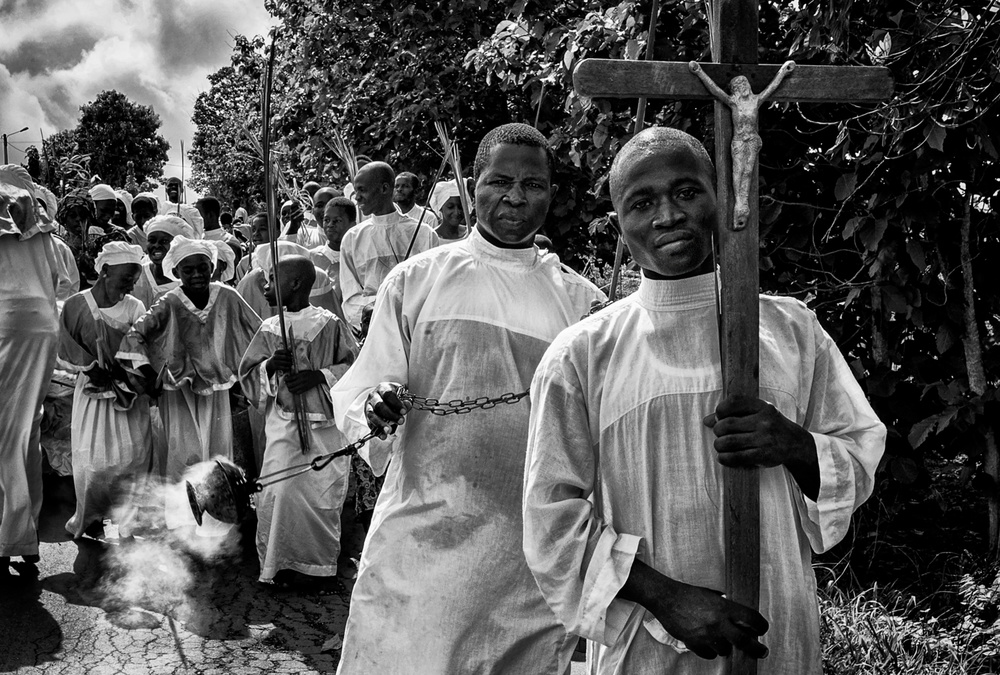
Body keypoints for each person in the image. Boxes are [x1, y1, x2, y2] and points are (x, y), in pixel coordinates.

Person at [521, 126, 886, 673]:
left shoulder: (788, 329)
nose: (668, 216)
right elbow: (551, 517)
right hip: (648, 645)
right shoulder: (582, 355)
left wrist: (792, 443)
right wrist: (666, 598)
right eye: (642, 202)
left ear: (723, 197)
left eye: (687, 192)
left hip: (776, 625)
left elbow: (856, 455)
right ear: (619, 222)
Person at [330, 123, 606, 673]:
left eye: (534, 185)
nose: (515, 197)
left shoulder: (582, 304)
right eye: (500, 181)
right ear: (471, 185)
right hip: (424, 532)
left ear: (552, 194)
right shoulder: (417, 281)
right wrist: (375, 404)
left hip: (527, 547)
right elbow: (362, 386)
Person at [117, 236, 261, 530]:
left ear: (213, 266)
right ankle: (183, 525)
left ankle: (218, 522)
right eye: (188, 270)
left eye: (202, 268)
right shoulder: (168, 302)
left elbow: (260, 330)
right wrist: (146, 374)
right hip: (178, 392)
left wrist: (247, 371)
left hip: (218, 390)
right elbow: (134, 336)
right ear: (176, 272)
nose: (196, 274)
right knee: (183, 454)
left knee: (219, 453)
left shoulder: (228, 296)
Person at [239, 256, 357, 590]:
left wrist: (318, 376)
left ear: (296, 284)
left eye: (272, 279)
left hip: (323, 429)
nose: (265, 287)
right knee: (278, 490)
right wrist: (270, 367)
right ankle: (278, 563)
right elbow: (247, 374)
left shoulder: (331, 324)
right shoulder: (268, 328)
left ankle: (316, 566)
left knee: (318, 492)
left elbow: (356, 367)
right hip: (283, 424)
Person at [59, 242, 151, 540]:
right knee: (93, 462)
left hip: (128, 394)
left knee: (132, 457)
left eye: (134, 280)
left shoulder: (134, 308)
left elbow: (142, 347)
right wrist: (88, 368)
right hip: (92, 394)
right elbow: (63, 348)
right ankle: (91, 518)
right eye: (126, 278)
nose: (130, 285)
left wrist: (126, 372)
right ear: (105, 270)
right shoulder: (76, 305)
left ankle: (128, 522)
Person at [0, 165, 63, 580]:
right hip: (41, 330)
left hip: (9, 328)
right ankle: (24, 536)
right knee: (25, 431)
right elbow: (60, 282)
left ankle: (12, 537)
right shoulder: (46, 236)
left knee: (8, 435)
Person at [339, 161, 439, 329]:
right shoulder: (352, 239)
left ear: (385, 189)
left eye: (362, 190)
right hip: (373, 329)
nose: (356, 197)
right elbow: (351, 298)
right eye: (356, 191)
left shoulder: (424, 234)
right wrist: (379, 311)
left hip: (415, 327)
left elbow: (433, 289)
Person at [130, 215, 194, 310]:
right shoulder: (136, 274)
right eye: (152, 240)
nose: (156, 245)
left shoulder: (189, 279)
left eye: (164, 241)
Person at [310, 196, 356, 318]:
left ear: (353, 225)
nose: (330, 225)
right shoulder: (311, 258)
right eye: (326, 220)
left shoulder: (359, 257)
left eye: (337, 220)